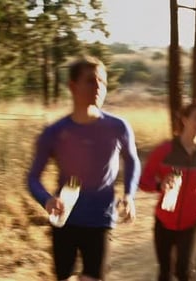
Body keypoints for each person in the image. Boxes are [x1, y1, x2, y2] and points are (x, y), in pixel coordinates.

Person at [27, 56, 141, 281]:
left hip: (100, 219)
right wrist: (46, 200)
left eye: (103, 82)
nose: (98, 87)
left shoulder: (118, 127)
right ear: (72, 86)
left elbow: (133, 160)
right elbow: (32, 178)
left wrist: (129, 195)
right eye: (91, 80)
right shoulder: (54, 132)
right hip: (65, 218)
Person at [139, 99, 196, 281]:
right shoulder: (164, 150)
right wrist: (160, 185)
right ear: (184, 119)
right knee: (165, 273)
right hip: (164, 221)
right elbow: (144, 181)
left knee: (184, 271)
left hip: (193, 222)